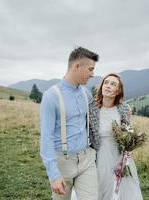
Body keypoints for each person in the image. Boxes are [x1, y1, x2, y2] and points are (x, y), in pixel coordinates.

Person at [40, 46, 99, 200]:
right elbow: (46, 138)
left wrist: (122, 109)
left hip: (87, 160)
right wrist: (53, 175)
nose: (92, 74)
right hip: (63, 162)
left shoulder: (86, 93)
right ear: (77, 66)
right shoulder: (51, 96)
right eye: (90, 69)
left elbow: (98, 114)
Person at [89, 73, 143, 200]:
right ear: (101, 86)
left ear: (118, 90)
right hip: (98, 156)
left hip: (120, 157)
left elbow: (128, 132)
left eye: (113, 84)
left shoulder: (124, 109)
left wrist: (129, 147)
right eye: (106, 83)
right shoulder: (91, 109)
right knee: (99, 189)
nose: (108, 86)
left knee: (121, 191)